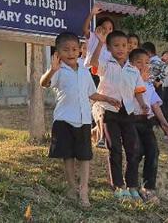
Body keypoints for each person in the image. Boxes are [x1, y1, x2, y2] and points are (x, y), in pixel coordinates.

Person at [40, 32, 120, 207]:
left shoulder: (84, 71)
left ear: (80, 51)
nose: (70, 52)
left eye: (74, 49)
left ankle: (84, 190)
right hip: (64, 119)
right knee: (68, 156)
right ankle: (71, 187)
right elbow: (44, 83)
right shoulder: (58, 70)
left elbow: (91, 93)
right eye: (66, 49)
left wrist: (108, 99)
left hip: (84, 120)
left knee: (85, 157)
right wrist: (52, 69)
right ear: (57, 52)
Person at [90, 30, 148, 201]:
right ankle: (118, 185)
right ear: (109, 48)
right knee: (114, 148)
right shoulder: (106, 64)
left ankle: (131, 185)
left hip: (128, 113)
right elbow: (93, 63)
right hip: (109, 111)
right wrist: (99, 43)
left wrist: (143, 103)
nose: (121, 49)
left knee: (133, 149)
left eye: (124, 45)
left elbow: (138, 91)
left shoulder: (133, 70)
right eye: (116, 46)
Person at [129, 48, 168, 203]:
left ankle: (148, 187)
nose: (143, 65)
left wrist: (164, 123)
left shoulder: (149, 83)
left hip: (146, 122)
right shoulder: (127, 78)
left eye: (146, 62)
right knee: (136, 151)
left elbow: (155, 105)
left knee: (153, 151)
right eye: (138, 62)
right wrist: (138, 78)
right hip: (130, 121)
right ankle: (131, 185)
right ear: (131, 63)